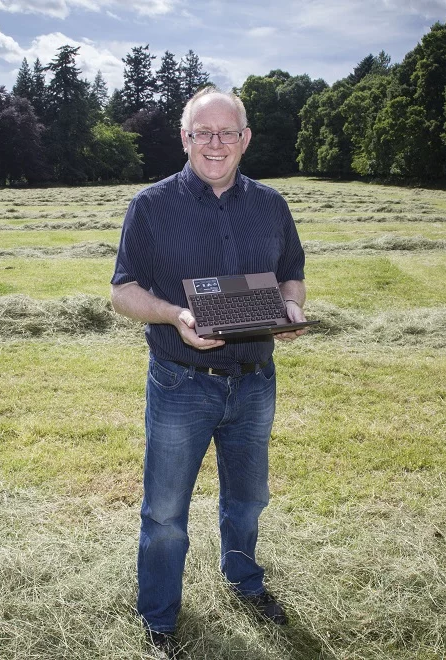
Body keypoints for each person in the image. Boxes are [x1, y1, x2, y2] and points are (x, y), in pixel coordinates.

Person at [110, 86, 308, 656]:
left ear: (245, 139)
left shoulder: (271, 205)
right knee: (166, 512)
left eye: (228, 132)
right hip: (181, 383)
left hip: (254, 380)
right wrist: (175, 315)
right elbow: (123, 291)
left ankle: (245, 582)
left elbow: (291, 270)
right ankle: (160, 618)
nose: (215, 143)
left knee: (248, 499)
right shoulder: (151, 206)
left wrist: (291, 306)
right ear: (185, 138)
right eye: (203, 132)